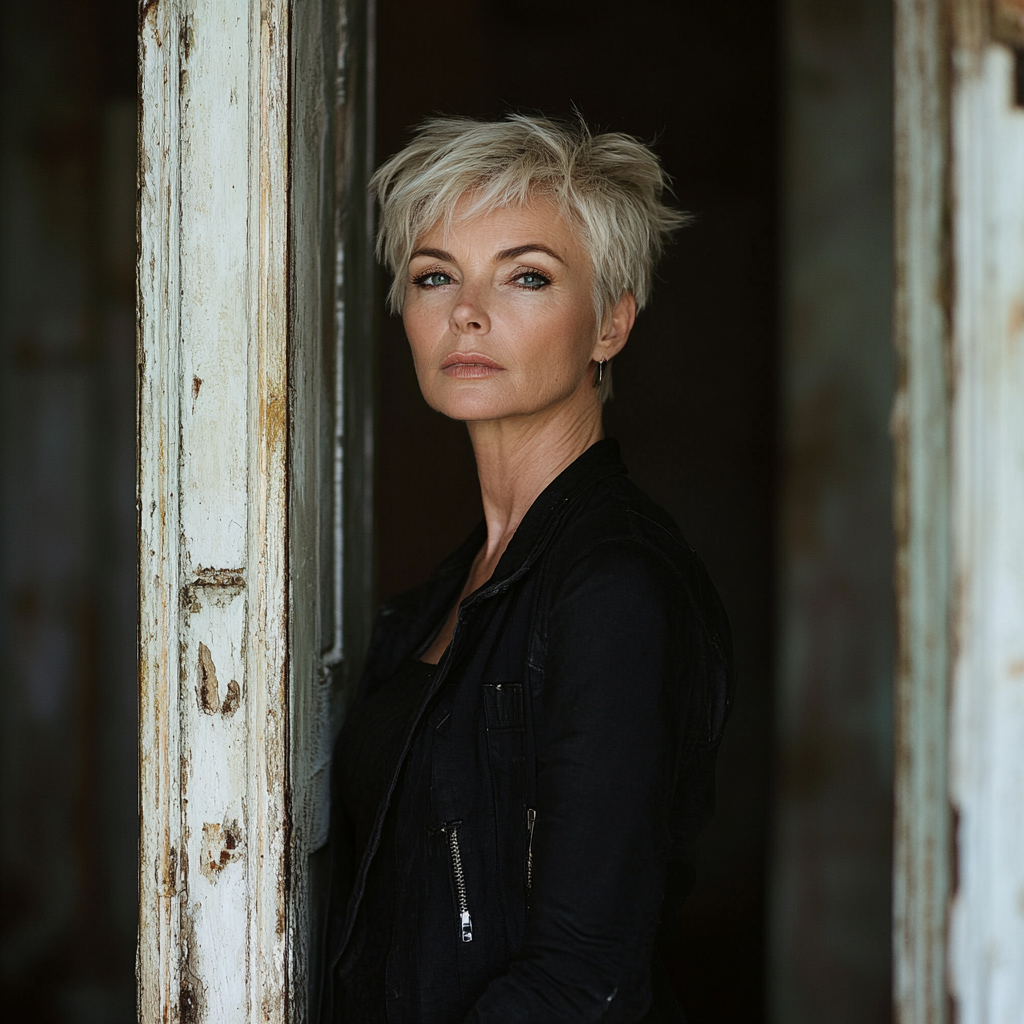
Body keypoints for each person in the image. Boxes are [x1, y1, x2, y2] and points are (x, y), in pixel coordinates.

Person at [319, 114, 734, 1024]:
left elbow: (583, 979)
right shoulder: (442, 591)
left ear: (611, 323)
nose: (467, 311)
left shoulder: (616, 588)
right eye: (436, 276)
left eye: (527, 277)